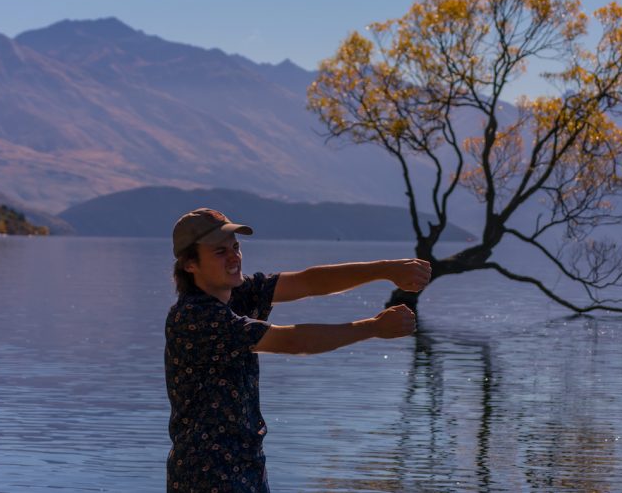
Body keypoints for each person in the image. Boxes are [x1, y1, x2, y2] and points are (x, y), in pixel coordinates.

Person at [164, 207, 430, 492]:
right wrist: (373, 327)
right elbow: (292, 341)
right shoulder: (195, 316)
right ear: (190, 264)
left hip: (247, 467)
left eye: (236, 247)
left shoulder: (234, 294)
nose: (234, 257)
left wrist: (387, 269)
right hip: (207, 477)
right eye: (220, 252)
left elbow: (308, 282)